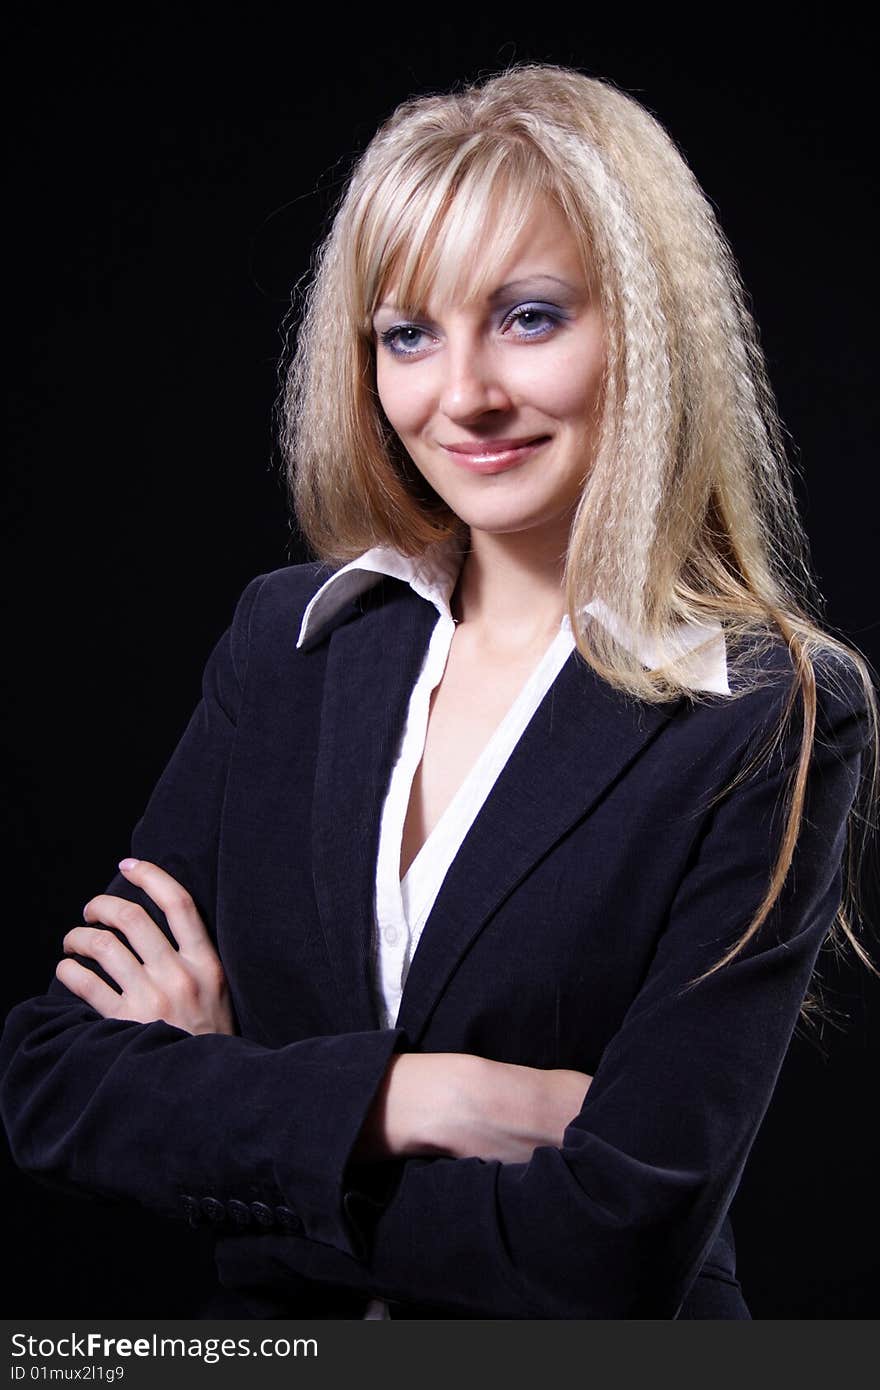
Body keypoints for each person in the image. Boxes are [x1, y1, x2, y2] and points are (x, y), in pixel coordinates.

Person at [1, 62, 877, 1321]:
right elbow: (54, 1081)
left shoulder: (767, 708)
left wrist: (234, 1109)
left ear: (646, 327)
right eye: (408, 333)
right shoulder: (286, 644)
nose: (460, 395)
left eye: (528, 317)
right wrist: (411, 1101)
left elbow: (616, 1242)